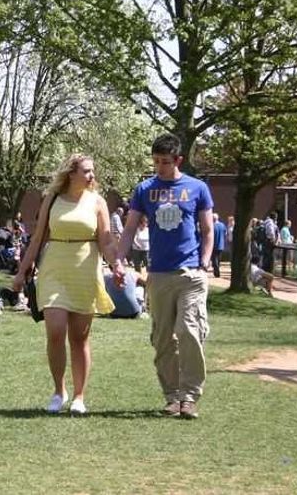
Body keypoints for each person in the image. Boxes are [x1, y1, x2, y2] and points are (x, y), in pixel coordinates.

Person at [115, 133, 214, 420]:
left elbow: (207, 230)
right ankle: (172, 396)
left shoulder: (198, 188)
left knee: (190, 330)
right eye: (156, 161)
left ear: (178, 160)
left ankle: (190, 396)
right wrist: (120, 260)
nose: (159, 167)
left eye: (165, 162)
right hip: (158, 275)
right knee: (162, 339)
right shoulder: (145, 189)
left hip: (190, 273)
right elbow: (130, 228)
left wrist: (204, 263)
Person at [12, 154, 118, 415]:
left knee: (80, 337)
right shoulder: (53, 199)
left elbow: (106, 240)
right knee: (55, 332)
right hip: (54, 269)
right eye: (86, 171)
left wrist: (118, 266)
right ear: (71, 173)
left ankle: (79, 396)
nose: (91, 175)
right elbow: (37, 239)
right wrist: (21, 272)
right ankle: (59, 391)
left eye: (92, 171)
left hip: (85, 270)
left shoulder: (97, 202)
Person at [211, 213, 227, 278]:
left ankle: (217, 272)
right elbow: (225, 233)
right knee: (218, 259)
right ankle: (217, 269)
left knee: (214, 259)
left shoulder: (212, 226)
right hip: (221, 244)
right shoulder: (222, 225)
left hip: (214, 245)